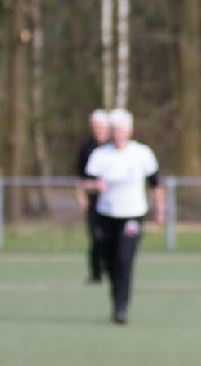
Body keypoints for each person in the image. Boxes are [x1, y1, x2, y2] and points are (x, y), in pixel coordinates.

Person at [84, 109, 165, 324]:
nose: (118, 134)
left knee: (124, 259)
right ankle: (116, 299)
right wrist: (95, 185)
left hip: (132, 215)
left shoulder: (142, 154)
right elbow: (85, 184)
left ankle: (121, 307)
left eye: (121, 130)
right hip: (106, 215)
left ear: (129, 131)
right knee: (110, 261)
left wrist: (159, 209)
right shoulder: (101, 155)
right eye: (114, 130)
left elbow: (155, 183)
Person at [76, 109, 110, 283]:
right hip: (94, 198)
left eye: (100, 126)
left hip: (113, 201)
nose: (97, 130)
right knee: (95, 236)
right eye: (94, 126)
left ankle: (111, 269)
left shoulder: (113, 146)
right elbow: (81, 178)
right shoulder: (86, 147)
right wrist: (81, 196)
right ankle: (96, 272)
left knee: (110, 238)